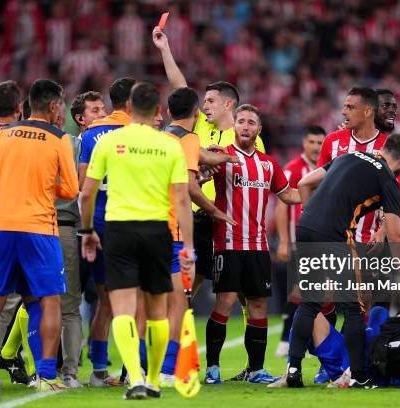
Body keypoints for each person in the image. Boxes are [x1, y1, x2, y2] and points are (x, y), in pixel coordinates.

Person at [153, 26, 265, 381]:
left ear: (228, 104)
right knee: (183, 291)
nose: (204, 104)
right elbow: (180, 89)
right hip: (200, 220)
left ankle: (252, 367)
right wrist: (165, 48)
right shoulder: (199, 127)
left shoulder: (246, 137)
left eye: (211, 100)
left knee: (246, 300)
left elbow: (257, 181)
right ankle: (164, 362)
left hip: (230, 227)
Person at [0, 79, 79, 391]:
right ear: (53, 106)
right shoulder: (59, 138)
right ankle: (47, 377)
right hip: (39, 227)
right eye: (62, 105)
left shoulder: (4, 133)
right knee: (50, 300)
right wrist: (42, 184)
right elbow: (70, 189)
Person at [80, 81, 195, 400]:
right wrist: (187, 246)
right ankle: (156, 380)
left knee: (124, 308)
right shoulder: (169, 144)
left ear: (128, 108)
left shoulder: (110, 141)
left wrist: (87, 231)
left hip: (119, 231)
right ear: (158, 110)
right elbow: (182, 200)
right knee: (158, 310)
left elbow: (87, 192)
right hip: (158, 231)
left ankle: (135, 379)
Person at [284, 133, 400, 389]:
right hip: (335, 234)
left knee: (310, 303)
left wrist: (311, 215)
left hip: (305, 227)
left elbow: (304, 182)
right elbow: (396, 234)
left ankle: (293, 370)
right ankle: (357, 375)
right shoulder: (388, 180)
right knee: (354, 307)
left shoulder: (347, 156)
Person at [204, 104, 302, 385]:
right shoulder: (222, 157)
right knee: (226, 300)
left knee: (259, 305)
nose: (245, 126)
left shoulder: (269, 164)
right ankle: (213, 368)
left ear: (259, 130)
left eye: (251, 123)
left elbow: (290, 196)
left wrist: (322, 190)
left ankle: (256, 369)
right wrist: (205, 164)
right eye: (241, 121)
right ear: (233, 126)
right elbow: (197, 179)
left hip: (258, 246)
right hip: (228, 242)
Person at [159, 87, 237, 387]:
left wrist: (221, 160)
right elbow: (190, 189)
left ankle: (136, 368)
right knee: (179, 301)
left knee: (150, 303)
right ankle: (167, 369)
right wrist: (217, 212)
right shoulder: (190, 138)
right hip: (177, 226)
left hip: (141, 226)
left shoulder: (161, 138)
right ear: (195, 114)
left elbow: (199, 158)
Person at [78, 78, 134, 387]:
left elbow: (83, 184)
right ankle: (133, 371)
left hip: (99, 224)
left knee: (106, 301)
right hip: (133, 224)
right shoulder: (143, 133)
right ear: (132, 101)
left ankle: (99, 371)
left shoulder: (91, 134)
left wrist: (87, 228)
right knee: (136, 300)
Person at [55, 91, 106, 388]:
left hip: (98, 232)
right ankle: (58, 368)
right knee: (65, 303)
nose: (102, 114)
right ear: (80, 119)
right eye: (95, 110)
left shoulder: (109, 144)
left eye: (103, 108)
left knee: (103, 299)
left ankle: (92, 367)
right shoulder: (70, 144)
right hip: (71, 232)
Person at [274, 125, 325, 358]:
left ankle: (310, 340)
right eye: (312, 142)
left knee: (317, 292)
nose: (316, 147)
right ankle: (287, 338)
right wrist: (284, 240)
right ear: (304, 143)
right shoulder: (293, 169)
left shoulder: (329, 166)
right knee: (299, 289)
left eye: (319, 143)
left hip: (325, 240)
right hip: (300, 240)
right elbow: (281, 205)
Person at [317, 87, 389, 244]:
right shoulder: (332, 141)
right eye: (344, 106)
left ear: (368, 111)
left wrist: (382, 230)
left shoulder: (387, 147)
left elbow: (392, 197)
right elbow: (318, 187)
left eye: (350, 107)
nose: (343, 112)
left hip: (368, 240)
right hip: (331, 238)